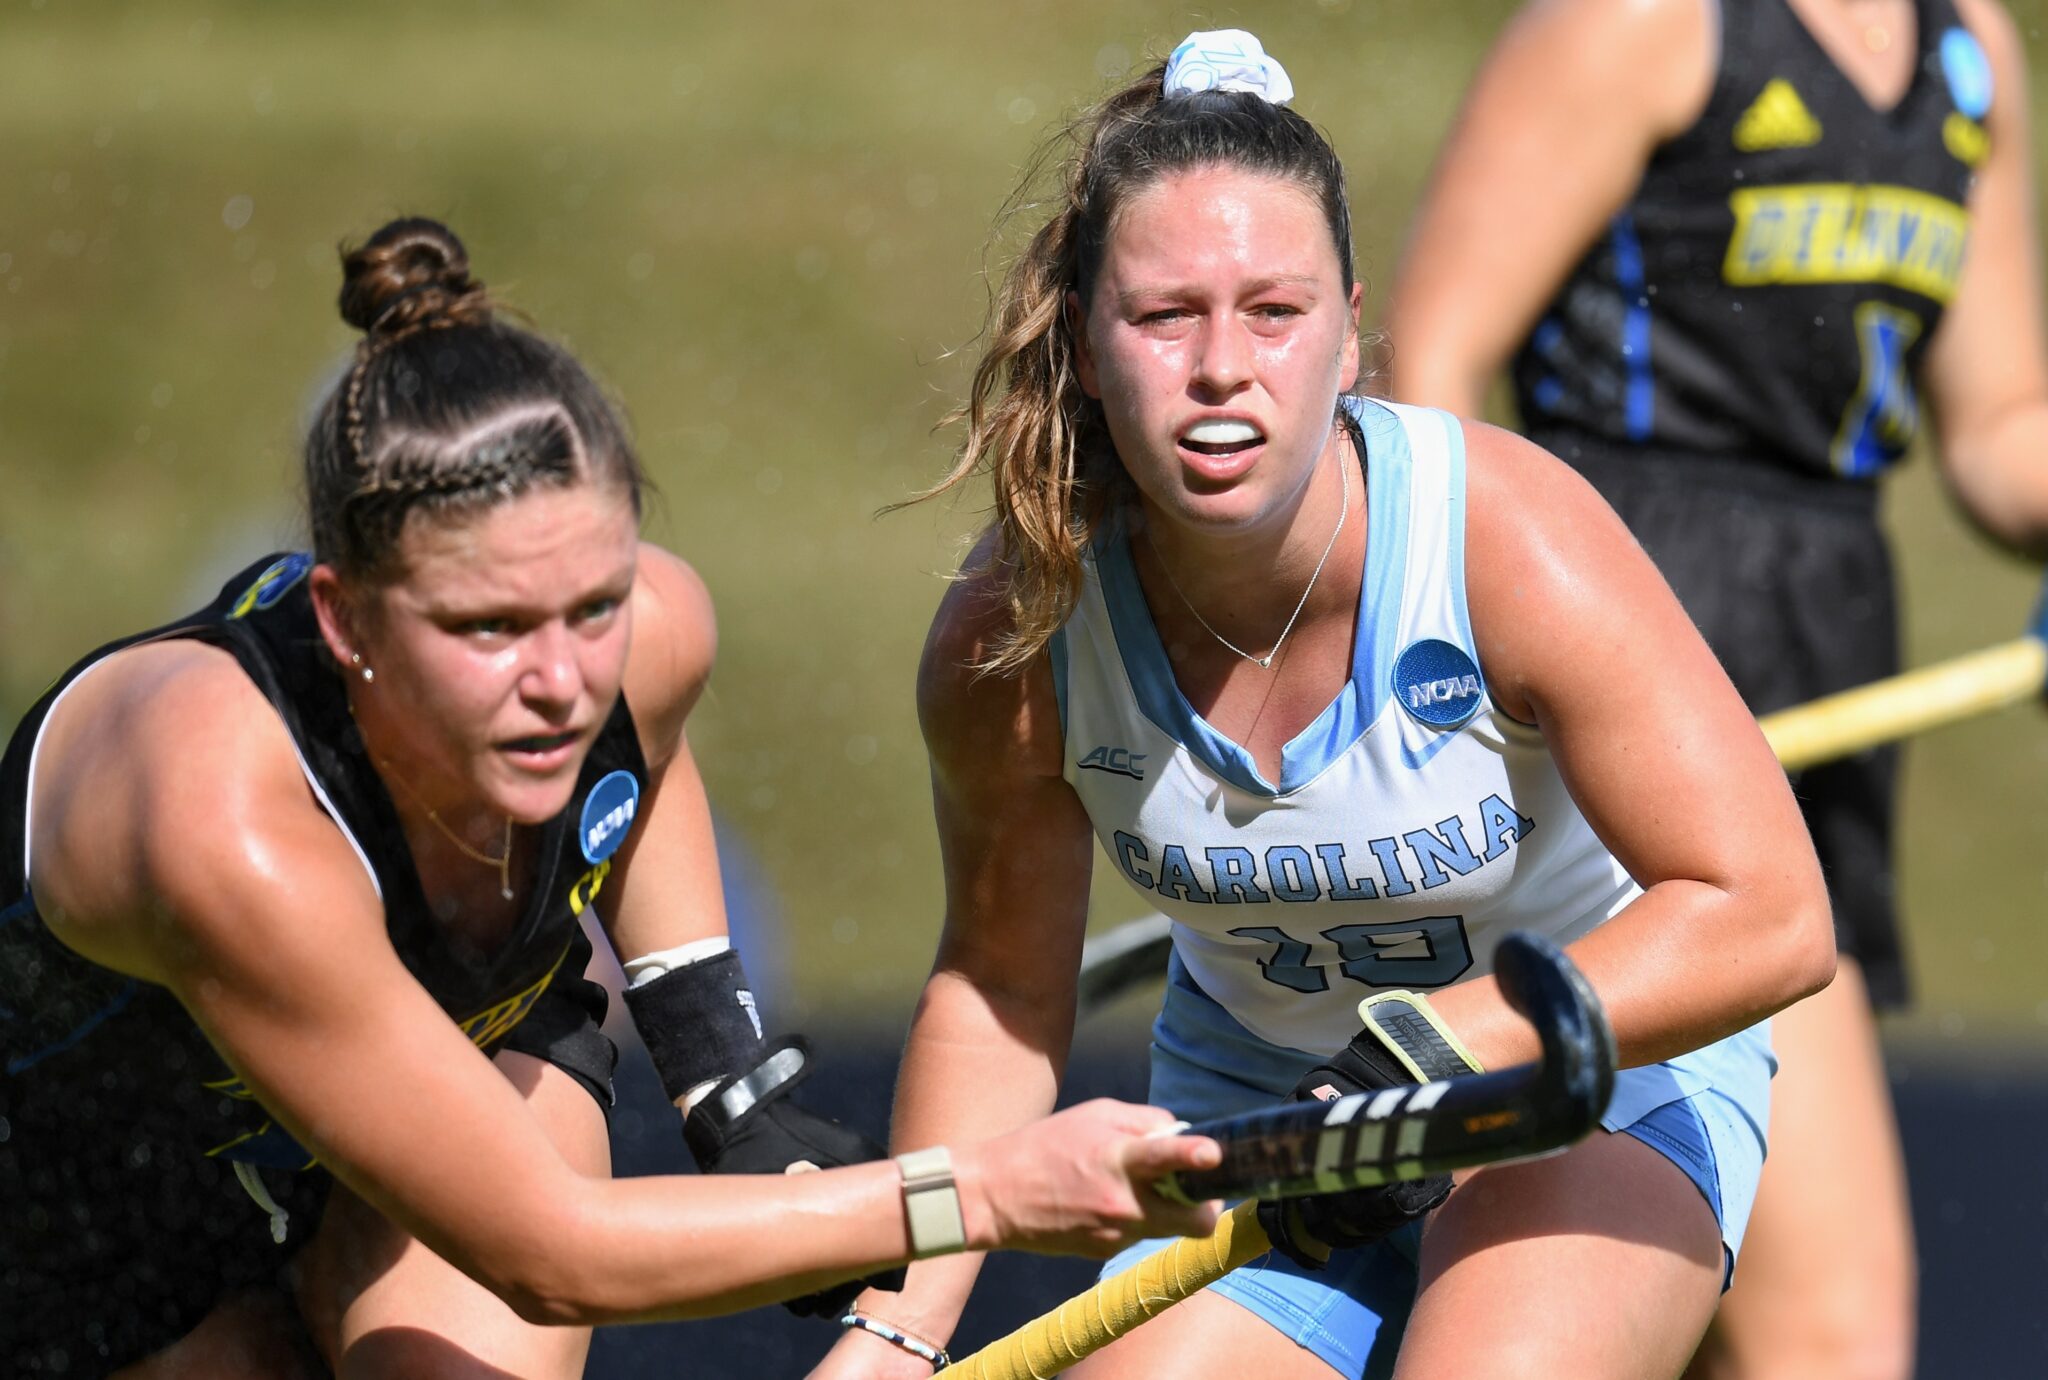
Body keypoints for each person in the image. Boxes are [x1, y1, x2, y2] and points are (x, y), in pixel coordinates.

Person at [0, 217, 1227, 1379]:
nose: (561, 685)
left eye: (590, 606)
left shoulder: (650, 635)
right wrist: (990, 1192)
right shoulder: (223, 822)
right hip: (92, 1189)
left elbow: (643, 758)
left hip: (469, 1048)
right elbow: (552, 1252)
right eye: (487, 628)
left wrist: (719, 1072)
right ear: (342, 617)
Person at [810, 29, 1834, 1380]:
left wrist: (1425, 1056)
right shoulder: (1015, 628)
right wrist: (893, 1328)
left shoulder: (1506, 540)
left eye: (1274, 313)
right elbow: (999, 992)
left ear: (1350, 335)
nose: (1220, 367)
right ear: (1086, 345)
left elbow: (1768, 917)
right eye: (1163, 317)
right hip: (1265, 1113)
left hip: (1587, 1074)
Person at [1381, 1, 2048, 1373]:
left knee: (1771, 1324)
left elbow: (1998, 423)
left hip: (1822, 648)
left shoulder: (1971, 49)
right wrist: (1449, 676)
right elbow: (1429, 367)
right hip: (1618, 639)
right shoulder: (1643, 20)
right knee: (1822, 1333)